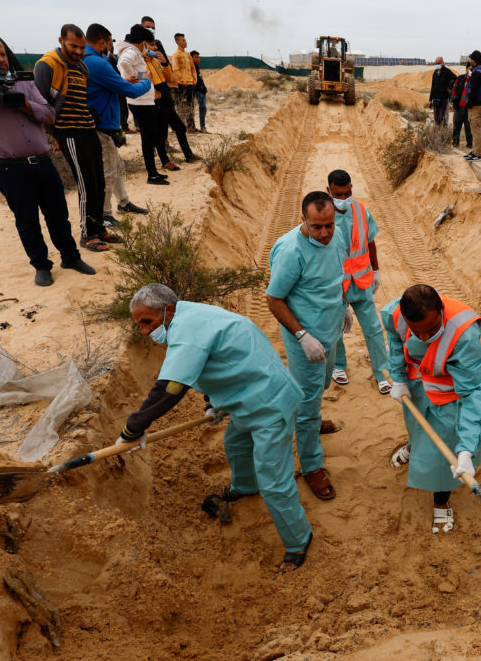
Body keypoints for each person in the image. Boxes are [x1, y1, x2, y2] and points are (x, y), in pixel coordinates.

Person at [117, 284, 313, 572]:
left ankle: (298, 540)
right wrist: (212, 401)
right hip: (247, 398)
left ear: (168, 309)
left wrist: (132, 429)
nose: (145, 332)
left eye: (147, 322)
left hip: (269, 404)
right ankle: (245, 486)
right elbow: (217, 356)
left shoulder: (186, 330)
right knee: (235, 444)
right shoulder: (191, 315)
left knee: (274, 480)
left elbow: (170, 388)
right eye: (140, 325)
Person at [0, 31, 94, 287]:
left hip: (43, 162)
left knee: (59, 215)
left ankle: (71, 257)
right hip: (9, 168)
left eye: (2, 53)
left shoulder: (21, 79)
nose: (0, 59)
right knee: (27, 221)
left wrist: (23, 104)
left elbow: (49, 114)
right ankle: (41, 266)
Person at [383, 285, 481, 533]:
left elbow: (474, 393)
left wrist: (466, 448)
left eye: (431, 331)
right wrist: (399, 378)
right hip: (419, 379)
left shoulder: (464, 335)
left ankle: (441, 499)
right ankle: (414, 445)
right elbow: (394, 339)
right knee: (415, 420)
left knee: (445, 452)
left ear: (441, 312)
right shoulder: (396, 314)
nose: (423, 338)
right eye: (416, 332)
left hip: (454, 390)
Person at [266, 191, 348, 503]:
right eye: (317, 227)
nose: (325, 233)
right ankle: (312, 464)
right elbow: (274, 299)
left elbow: (336, 276)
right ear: (303, 220)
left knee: (322, 384)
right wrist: (302, 336)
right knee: (308, 397)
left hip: (331, 327)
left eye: (329, 224)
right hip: (307, 338)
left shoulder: (336, 236)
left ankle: (310, 421)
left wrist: (345, 307)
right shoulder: (291, 252)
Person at [34, 24, 121, 253]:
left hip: (88, 129)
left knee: (99, 182)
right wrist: (52, 137)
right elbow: (41, 103)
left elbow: (81, 101)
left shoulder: (81, 67)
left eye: (82, 47)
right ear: (61, 40)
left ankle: (99, 227)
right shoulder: (47, 65)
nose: (79, 51)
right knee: (86, 184)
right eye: (74, 46)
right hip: (68, 132)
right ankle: (87, 234)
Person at [326, 170, 392, 395]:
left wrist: (376, 270)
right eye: (338, 195)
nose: (343, 199)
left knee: (373, 328)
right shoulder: (323, 217)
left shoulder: (362, 210)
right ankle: (339, 365)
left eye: (347, 194)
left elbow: (370, 241)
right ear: (329, 191)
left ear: (352, 188)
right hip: (336, 286)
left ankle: (381, 371)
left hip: (362, 281)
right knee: (336, 330)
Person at [83, 23, 151, 228]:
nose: (112, 46)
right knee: (109, 171)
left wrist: (126, 81)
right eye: (111, 42)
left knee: (117, 166)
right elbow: (130, 91)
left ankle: (123, 202)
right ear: (102, 41)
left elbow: (114, 83)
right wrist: (146, 82)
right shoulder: (97, 63)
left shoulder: (92, 61)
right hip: (101, 125)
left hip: (104, 123)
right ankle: (105, 214)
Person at [116, 25, 169, 185]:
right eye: (148, 43)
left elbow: (144, 55)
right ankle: (151, 175)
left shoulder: (136, 51)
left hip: (143, 100)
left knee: (150, 136)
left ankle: (154, 172)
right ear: (143, 41)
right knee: (148, 138)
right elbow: (123, 63)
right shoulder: (131, 52)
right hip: (141, 101)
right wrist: (139, 77)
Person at [151, 39, 197, 167]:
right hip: (157, 101)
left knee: (180, 128)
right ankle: (165, 161)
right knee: (160, 134)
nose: (155, 49)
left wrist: (165, 64)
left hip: (167, 100)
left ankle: (188, 155)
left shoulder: (162, 62)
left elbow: (171, 79)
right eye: (153, 46)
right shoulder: (148, 62)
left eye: (157, 47)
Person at [464, 51, 481, 162]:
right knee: (477, 129)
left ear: (474, 60)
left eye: (471, 59)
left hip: (475, 105)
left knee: (475, 130)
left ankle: (477, 154)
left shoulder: (477, 73)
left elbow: (473, 91)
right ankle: (474, 151)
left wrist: (469, 104)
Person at [171, 33, 197, 131]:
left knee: (190, 105)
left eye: (185, 40)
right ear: (177, 41)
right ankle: (180, 126)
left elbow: (193, 68)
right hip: (181, 85)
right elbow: (175, 69)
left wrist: (194, 80)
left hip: (190, 83)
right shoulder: (176, 54)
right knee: (181, 105)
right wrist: (181, 80)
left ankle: (191, 125)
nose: (185, 42)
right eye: (183, 40)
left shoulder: (187, 55)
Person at [428, 57, 457, 127]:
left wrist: (450, 87)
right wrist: (430, 99)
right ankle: (438, 132)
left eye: (439, 63)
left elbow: (455, 79)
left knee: (443, 118)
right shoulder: (435, 73)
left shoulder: (447, 72)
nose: (437, 65)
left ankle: (444, 132)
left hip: (443, 98)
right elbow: (433, 86)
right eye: (436, 63)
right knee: (436, 118)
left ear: (442, 63)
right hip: (435, 99)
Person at [451, 62, 473, 149]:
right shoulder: (460, 78)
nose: (471, 71)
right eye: (470, 69)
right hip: (459, 106)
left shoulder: (474, 80)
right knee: (457, 125)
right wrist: (453, 99)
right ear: (466, 69)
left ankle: (470, 143)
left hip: (469, 108)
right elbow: (454, 89)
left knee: (468, 127)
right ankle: (455, 141)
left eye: (472, 69)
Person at [191, 50, 208, 133]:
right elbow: (195, 81)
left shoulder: (197, 67)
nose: (198, 59)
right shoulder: (192, 67)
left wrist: (204, 88)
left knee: (203, 108)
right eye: (196, 57)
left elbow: (200, 79)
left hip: (202, 91)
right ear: (191, 58)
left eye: (198, 57)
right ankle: (202, 127)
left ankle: (203, 126)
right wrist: (200, 88)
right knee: (202, 108)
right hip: (198, 91)